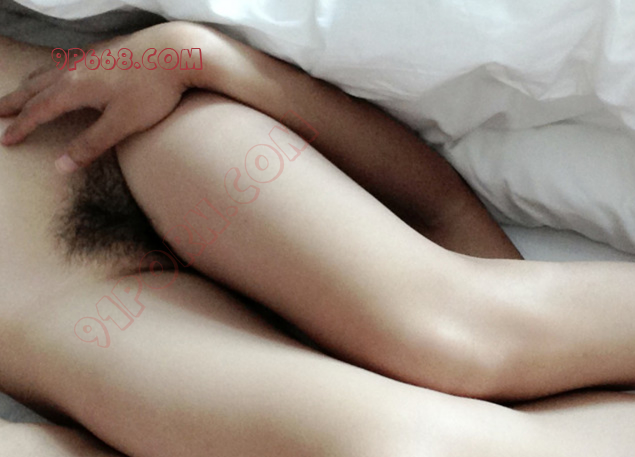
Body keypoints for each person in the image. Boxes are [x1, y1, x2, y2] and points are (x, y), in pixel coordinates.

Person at [0, 21, 633, 457]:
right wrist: (209, 60)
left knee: (437, 359)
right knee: (445, 339)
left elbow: (443, 220)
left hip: (89, 263)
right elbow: (441, 212)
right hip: (105, 220)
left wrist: (207, 59)